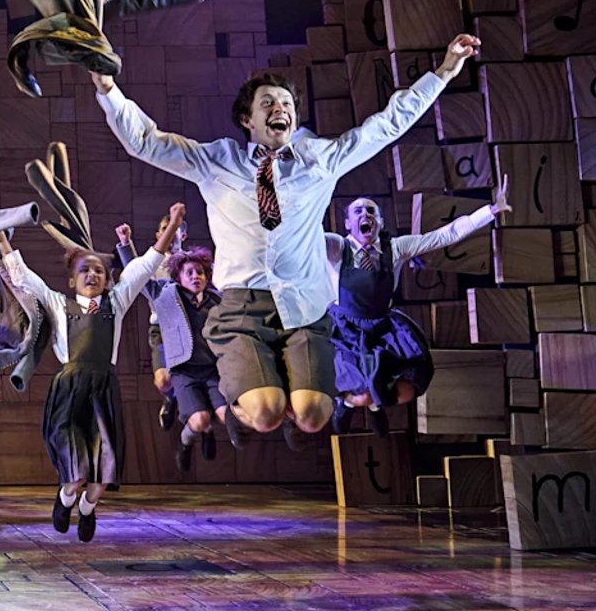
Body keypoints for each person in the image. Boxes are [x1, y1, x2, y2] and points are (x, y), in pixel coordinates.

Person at [91, 34, 480, 441]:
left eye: (288, 105)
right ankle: (235, 401)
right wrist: (108, 88)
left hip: (304, 307)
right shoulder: (217, 161)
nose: (282, 110)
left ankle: (286, 401)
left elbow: (385, 126)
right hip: (243, 307)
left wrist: (444, 71)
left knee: (313, 416)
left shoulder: (320, 161)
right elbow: (146, 142)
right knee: (266, 413)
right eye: (269, 104)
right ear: (248, 119)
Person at [0, 207, 181, 541]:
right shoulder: (57, 304)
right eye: (84, 270)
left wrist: (174, 224)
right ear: (72, 280)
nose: (92, 275)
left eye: (98, 270)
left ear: (108, 279)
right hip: (69, 391)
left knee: (101, 476)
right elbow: (22, 276)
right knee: (76, 472)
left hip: (103, 390)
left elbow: (148, 263)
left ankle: (87, 509)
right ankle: (65, 499)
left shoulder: (117, 302)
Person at [327, 174, 511, 431]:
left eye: (371, 211)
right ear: (348, 223)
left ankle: (375, 404)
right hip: (347, 328)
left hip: (382, 324)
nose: (364, 215)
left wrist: (490, 211)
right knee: (363, 390)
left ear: (380, 221)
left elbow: (445, 235)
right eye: (357, 211)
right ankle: (349, 404)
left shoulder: (396, 248)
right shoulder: (337, 248)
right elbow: (306, 240)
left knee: (406, 388)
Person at [147, 210, 234, 471]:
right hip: (169, 336)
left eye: (200, 273)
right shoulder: (163, 278)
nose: (195, 277)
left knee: (221, 415)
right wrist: (125, 245)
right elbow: (138, 277)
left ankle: (206, 426)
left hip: (205, 359)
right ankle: (179, 408)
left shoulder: (207, 288)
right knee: (167, 382)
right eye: (165, 228)